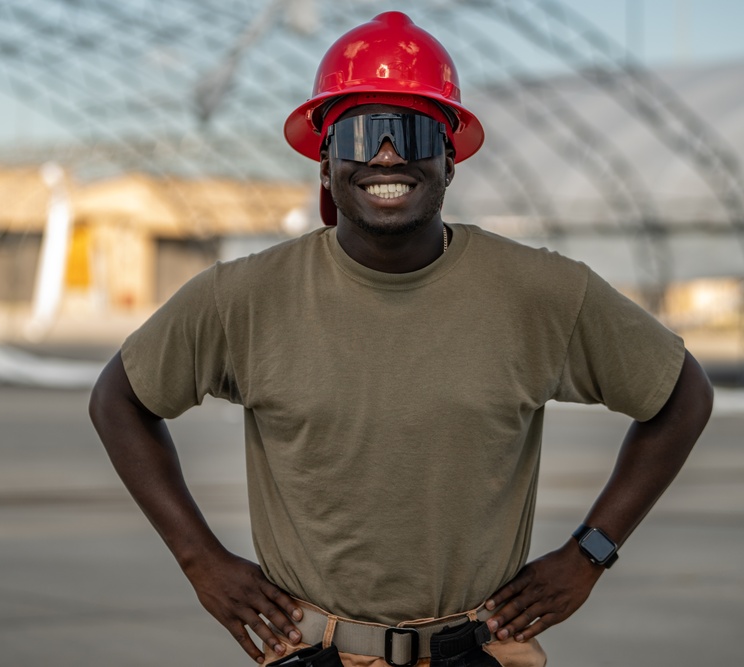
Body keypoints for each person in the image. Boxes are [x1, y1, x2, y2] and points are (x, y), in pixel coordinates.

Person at [89, 11, 713, 667]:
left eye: (413, 131)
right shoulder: (242, 296)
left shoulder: (543, 291)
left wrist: (591, 551)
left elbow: (682, 394)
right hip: (315, 651)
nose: (387, 153)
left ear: (450, 160)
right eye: (360, 133)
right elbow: (118, 399)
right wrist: (201, 561)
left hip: (477, 649)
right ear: (325, 164)